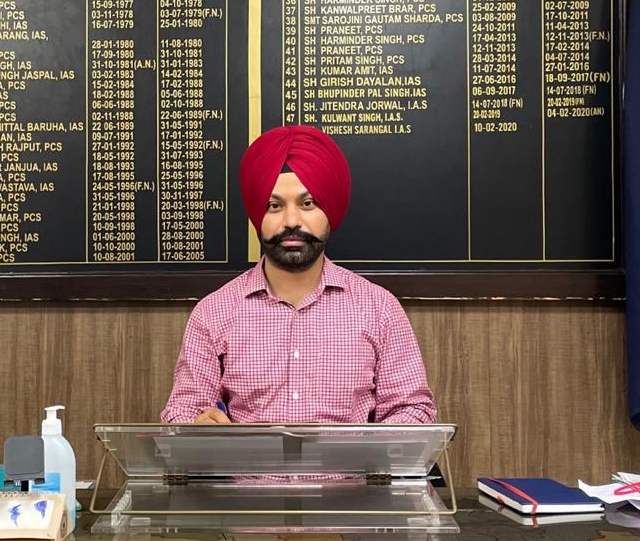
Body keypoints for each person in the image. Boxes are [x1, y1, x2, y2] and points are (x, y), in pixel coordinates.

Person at [161, 125, 435, 424]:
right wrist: (196, 427)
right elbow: (183, 412)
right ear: (257, 215)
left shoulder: (379, 308)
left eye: (308, 204)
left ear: (329, 210)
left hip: (351, 458)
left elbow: (413, 410)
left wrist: (375, 443)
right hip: (246, 459)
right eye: (274, 206)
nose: (291, 221)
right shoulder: (213, 313)